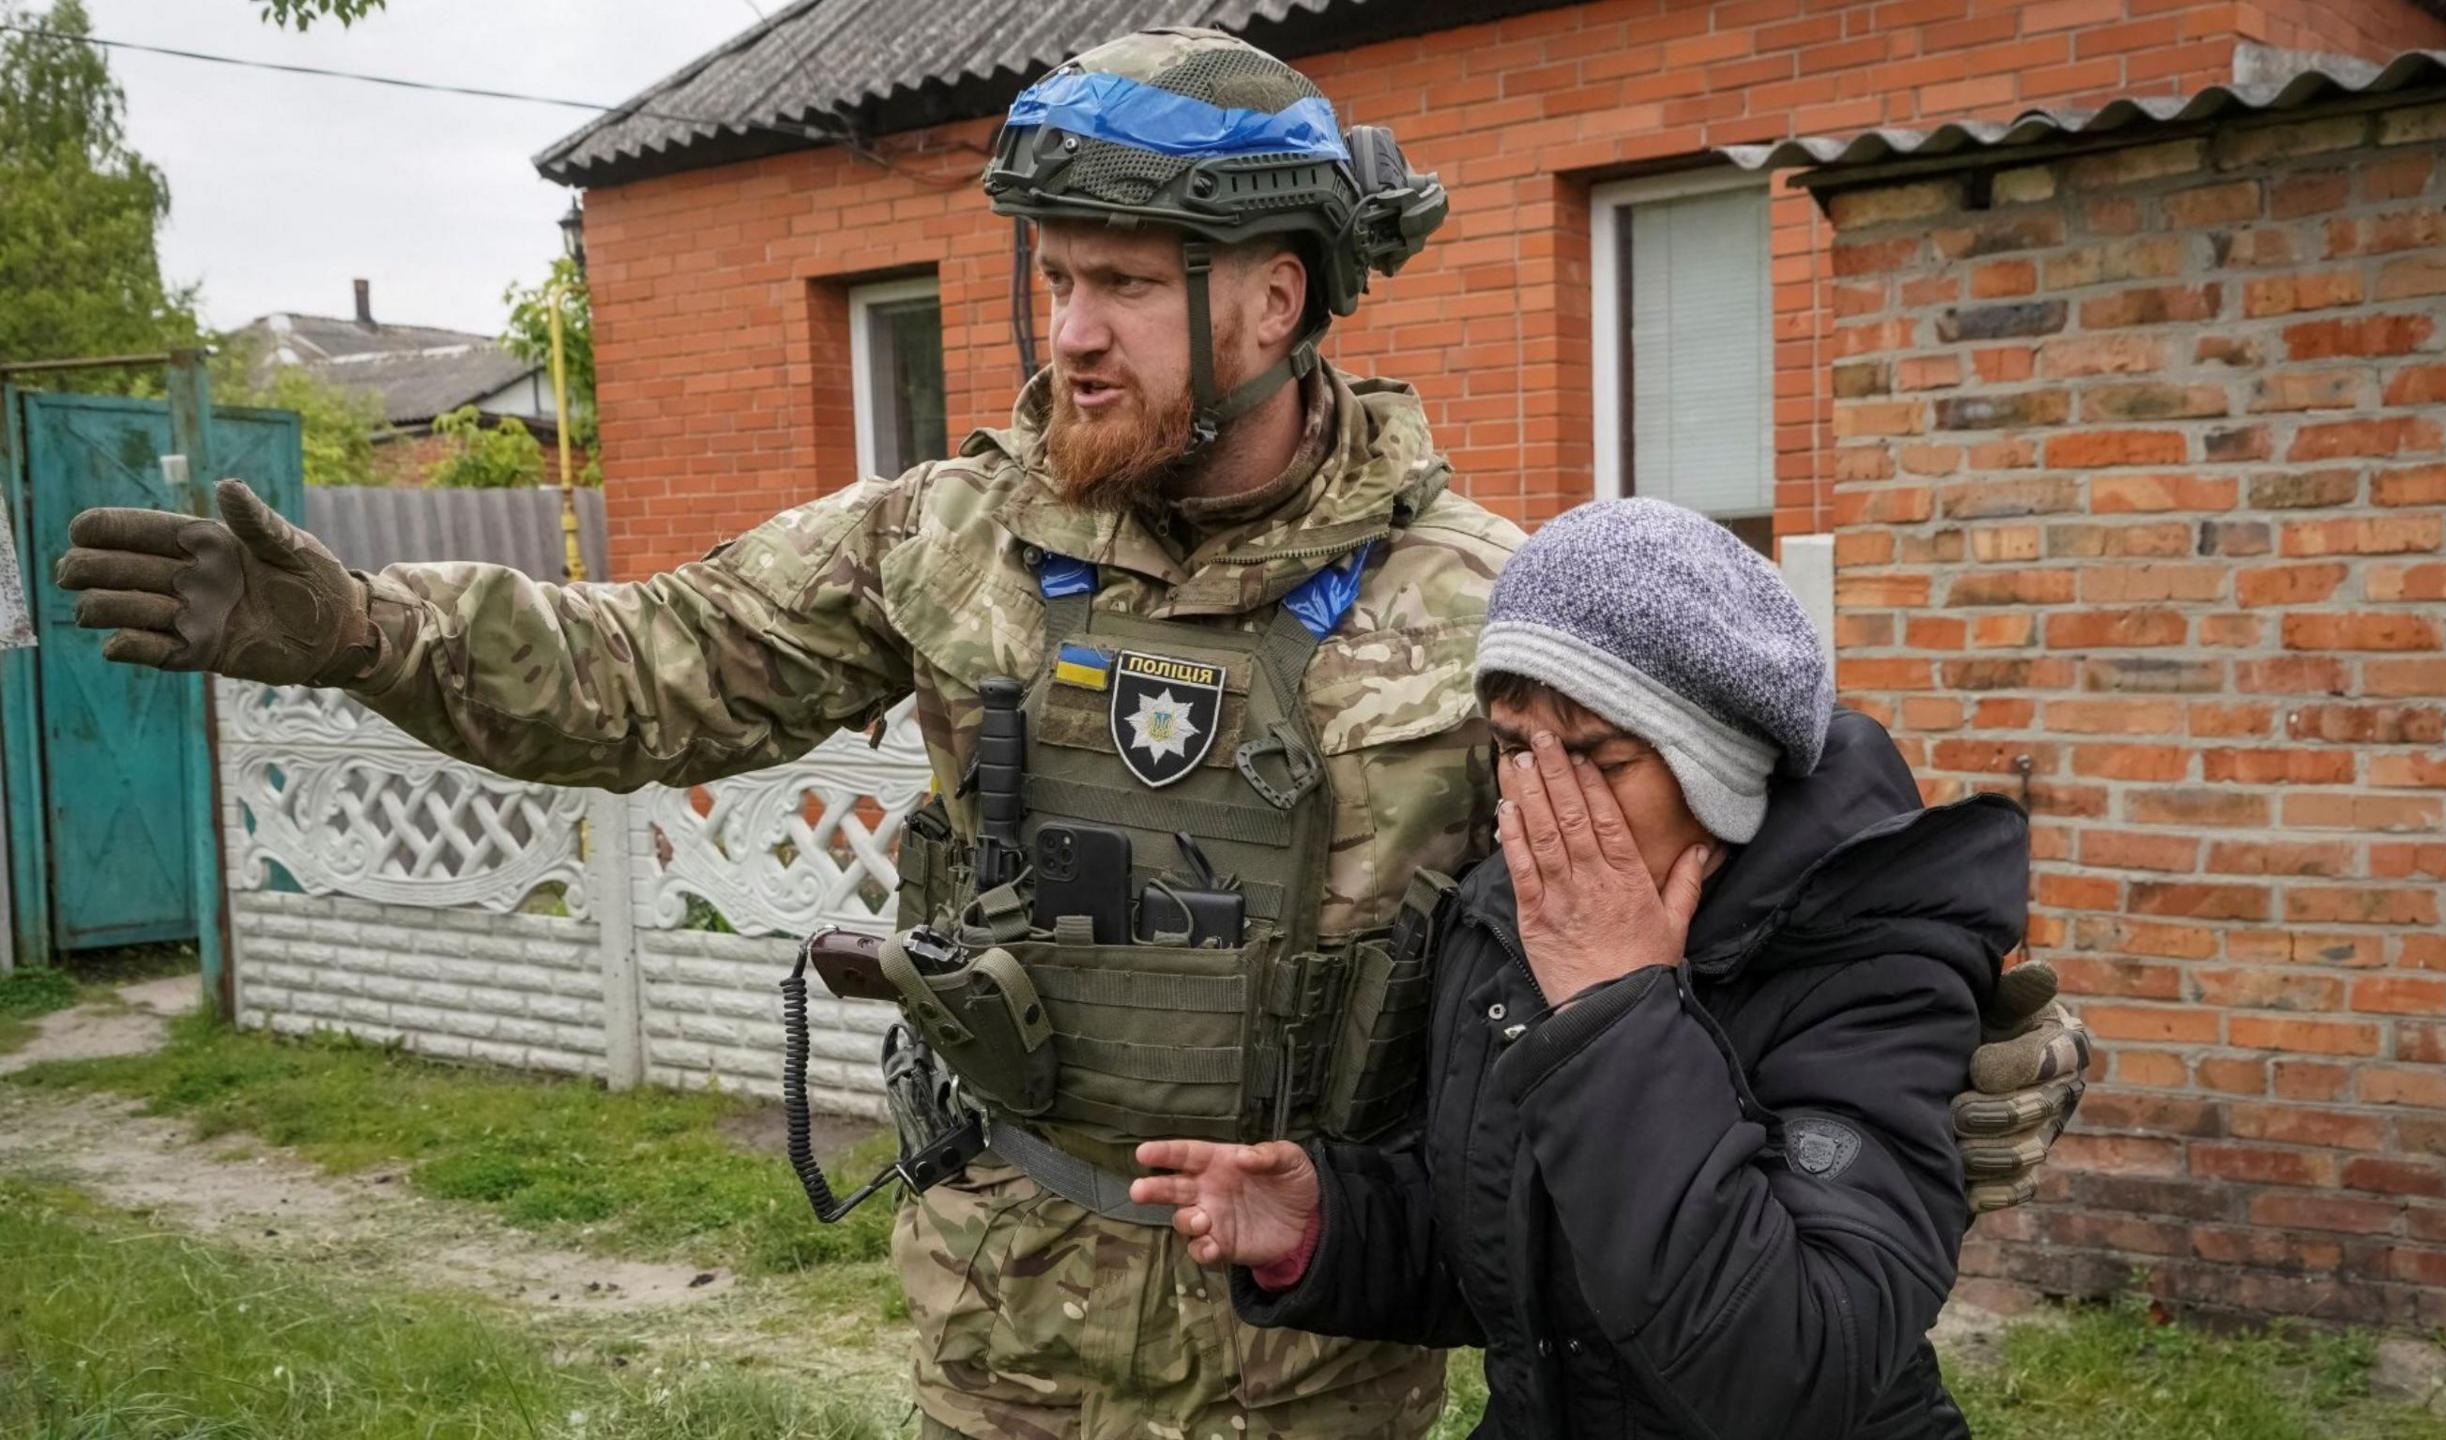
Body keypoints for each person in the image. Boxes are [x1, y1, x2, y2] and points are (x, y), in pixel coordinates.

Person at [52, 29, 2085, 1439]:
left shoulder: (1479, 605)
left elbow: (1748, 861)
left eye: (1118, 283)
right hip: (1005, 1337)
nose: (1063, 330)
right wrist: (360, 626)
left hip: (1319, 1358)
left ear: (1276, 302)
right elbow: (648, 663)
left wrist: (1972, 1053)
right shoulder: (947, 541)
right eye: (1052, 281)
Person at [1134, 498, 2031, 1439]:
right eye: (1517, 750)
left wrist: (1615, 1005)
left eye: (1599, 758)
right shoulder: (1509, 921)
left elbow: (1792, 1367)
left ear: (1716, 765)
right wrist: (1332, 1226)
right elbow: (1523, 1258)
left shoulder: (1869, 956)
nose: (1542, 797)